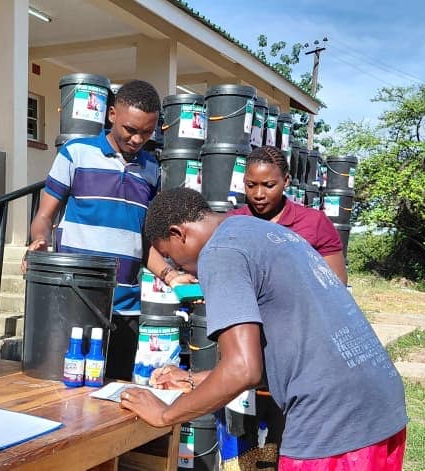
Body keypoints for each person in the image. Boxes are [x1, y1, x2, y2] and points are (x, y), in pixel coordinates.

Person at [121, 188, 407, 469]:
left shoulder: (220, 251)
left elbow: (243, 369)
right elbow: (290, 354)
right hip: (380, 407)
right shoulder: (263, 232)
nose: (179, 268)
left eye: (169, 256)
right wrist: (198, 379)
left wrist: (165, 414)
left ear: (177, 234)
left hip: (332, 424)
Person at [27, 80, 188, 379]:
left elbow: (146, 241)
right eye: (130, 129)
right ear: (112, 114)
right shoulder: (75, 154)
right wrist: (39, 240)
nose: (138, 139)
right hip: (74, 301)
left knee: (110, 400)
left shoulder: (152, 170)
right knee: (62, 392)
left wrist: (170, 274)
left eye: (147, 132)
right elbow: (44, 216)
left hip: (125, 310)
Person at [229, 145, 347, 284]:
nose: (258, 194)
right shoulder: (232, 222)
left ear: (285, 181)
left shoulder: (314, 222)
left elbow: (337, 283)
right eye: (251, 185)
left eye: (269, 185)